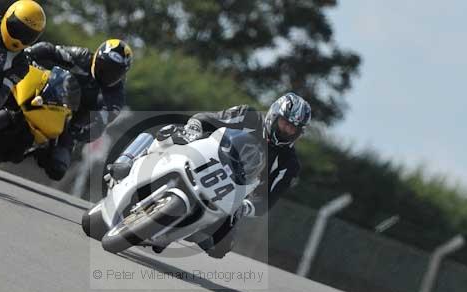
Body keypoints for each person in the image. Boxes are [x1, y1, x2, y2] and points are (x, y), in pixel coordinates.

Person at [109, 92, 312, 258]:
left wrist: (245, 207)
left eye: (292, 128)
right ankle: (127, 161)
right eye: (284, 123)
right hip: (204, 157)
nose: (287, 130)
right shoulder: (248, 116)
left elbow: (268, 198)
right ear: (274, 115)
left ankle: (170, 231)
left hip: (232, 192)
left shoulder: (289, 163)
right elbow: (208, 119)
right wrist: (194, 129)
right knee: (167, 133)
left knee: (220, 246)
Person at [25, 39, 132, 180]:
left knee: (58, 169)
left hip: (70, 123)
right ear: (96, 58)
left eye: (114, 72)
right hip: (47, 95)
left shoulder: (115, 96)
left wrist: (80, 132)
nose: (106, 74)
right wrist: (28, 53)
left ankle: (34, 149)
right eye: (104, 67)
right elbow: (51, 49)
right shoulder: (81, 56)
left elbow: (100, 124)